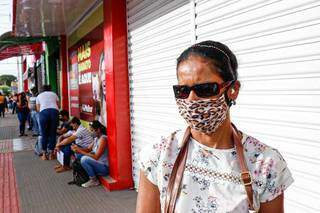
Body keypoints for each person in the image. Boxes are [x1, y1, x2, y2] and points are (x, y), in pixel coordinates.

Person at [136, 41, 294, 213]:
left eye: (204, 89)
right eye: (182, 91)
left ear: (233, 90)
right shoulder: (159, 156)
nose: (191, 100)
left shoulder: (265, 164)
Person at [71, 120, 109, 187]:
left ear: (98, 130)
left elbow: (96, 157)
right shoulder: (96, 138)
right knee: (79, 156)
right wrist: (77, 149)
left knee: (84, 159)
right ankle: (85, 176)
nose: (91, 132)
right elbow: (88, 149)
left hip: (103, 168)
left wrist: (80, 151)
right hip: (96, 163)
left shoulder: (103, 139)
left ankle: (94, 180)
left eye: (92, 130)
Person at [36, 85, 59, 160]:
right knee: (53, 133)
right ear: (50, 89)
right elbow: (58, 105)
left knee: (44, 134)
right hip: (54, 112)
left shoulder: (39, 96)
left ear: (42, 89)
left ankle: (44, 154)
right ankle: (51, 154)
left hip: (44, 113)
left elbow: (38, 109)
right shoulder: (54, 94)